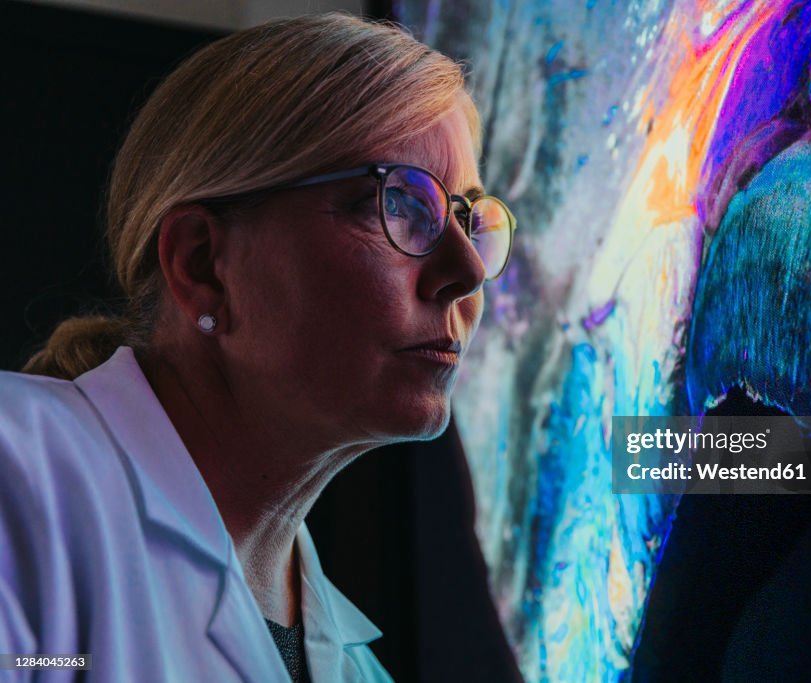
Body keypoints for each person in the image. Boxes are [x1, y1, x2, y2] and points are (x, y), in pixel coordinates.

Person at [0, 12, 515, 682]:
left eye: (470, 219)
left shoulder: (356, 669)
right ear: (204, 264)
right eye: (399, 204)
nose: (469, 272)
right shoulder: (19, 475)